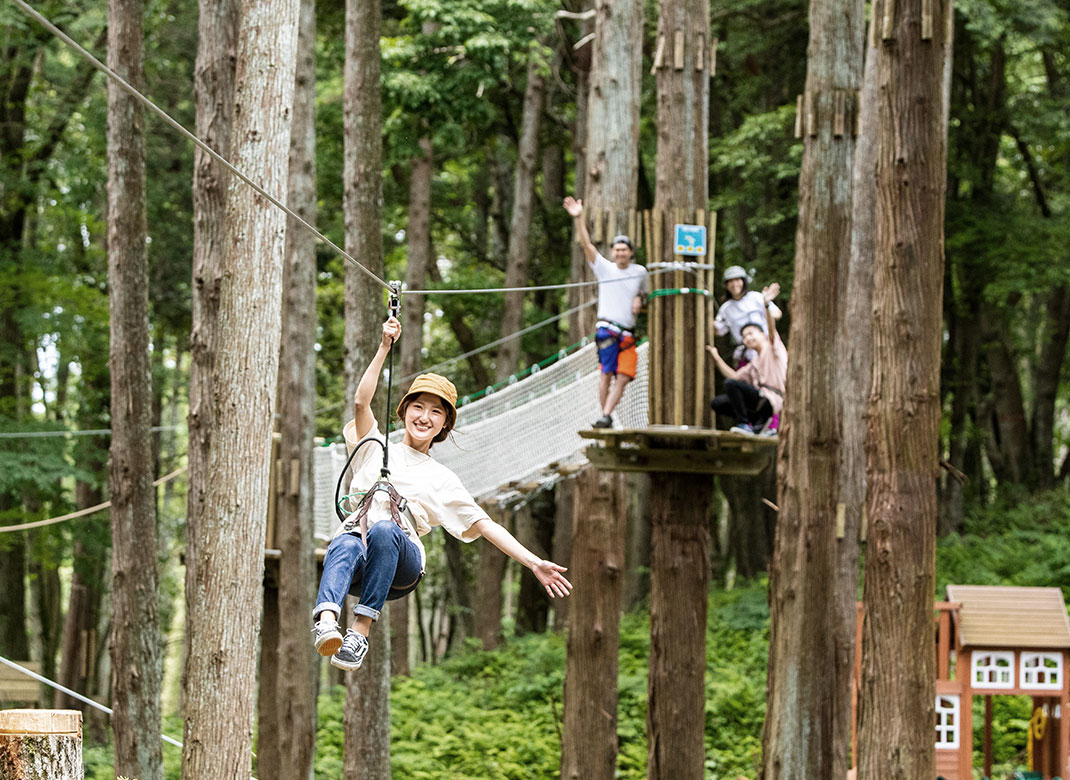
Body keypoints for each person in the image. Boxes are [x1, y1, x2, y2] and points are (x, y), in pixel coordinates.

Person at [313, 316, 573, 670]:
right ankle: (327, 621)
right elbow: (361, 403)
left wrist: (533, 562)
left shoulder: (442, 478)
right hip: (360, 557)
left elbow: (484, 525)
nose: (425, 417)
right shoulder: (374, 446)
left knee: (385, 530)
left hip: (400, 563)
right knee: (343, 540)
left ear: (444, 425)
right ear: (404, 411)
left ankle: (360, 630)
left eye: (436, 412)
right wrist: (384, 347)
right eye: (418, 407)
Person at [563, 195, 649, 429]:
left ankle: (606, 415)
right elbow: (587, 245)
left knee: (624, 376)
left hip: (629, 334)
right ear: (612, 252)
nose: (621, 253)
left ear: (631, 252)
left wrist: (640, 299)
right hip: (607, 330)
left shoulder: (640, 272)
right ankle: (606, 415)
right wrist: (579, 218)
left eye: (624, 250)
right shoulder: (605, 268)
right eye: (617, 250)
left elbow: (645, 293)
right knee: (606, 375)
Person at [706, 283, 786, 436]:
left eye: (750, 334)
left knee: (732, 386)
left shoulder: (773, 348)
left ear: (762, 335)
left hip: (773, 400)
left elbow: (771, 327)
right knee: (718, 403)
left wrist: (766, 304)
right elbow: (735, 377)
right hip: (760, 401)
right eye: (744, 336)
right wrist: (716, 357)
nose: (747, 338)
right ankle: (756, 424)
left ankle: (745, 424)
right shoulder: (754, 362)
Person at [715, 266, 782, 366]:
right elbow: (719, 330)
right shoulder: (725, 309)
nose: (734, 284)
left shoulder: (756, 297)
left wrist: (767, 305)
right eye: (730, 281)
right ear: (726, 285)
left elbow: (777, 313)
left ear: (743, 281)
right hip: (746, 356)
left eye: (737, 280)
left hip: (767, 349)